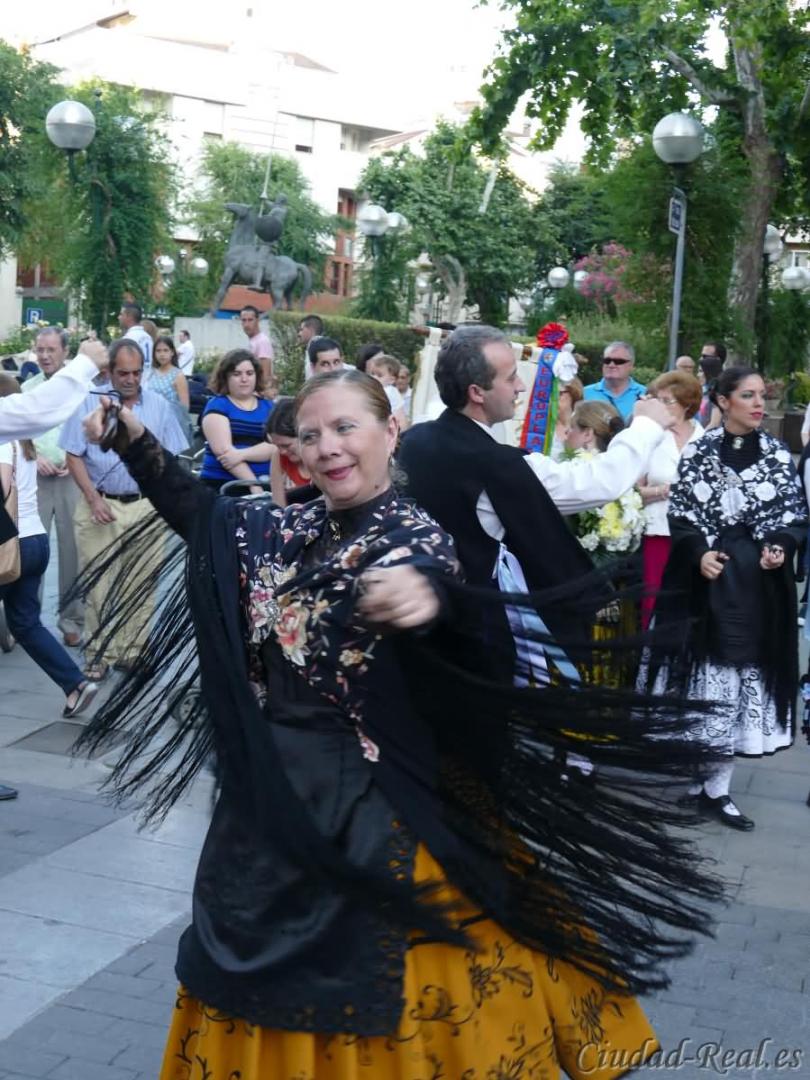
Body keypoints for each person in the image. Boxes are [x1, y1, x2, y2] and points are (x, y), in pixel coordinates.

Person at [77, 369, 722, 1080]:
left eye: (345, 427)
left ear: (390, 433)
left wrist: (425, 595)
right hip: (271, 810)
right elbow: (202, 512)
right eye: (312, 435)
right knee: (257, 977)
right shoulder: (286, 529)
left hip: (377, 804)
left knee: (389, 978)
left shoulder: (414, 535)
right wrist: (132, 440)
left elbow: (437, 581)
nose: (328, 447)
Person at [399, 326, 675, 684]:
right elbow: (596, 482)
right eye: (511, 377)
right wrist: (646, 426)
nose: (521, 387)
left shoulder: (415, 439)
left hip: (416, 626)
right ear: (477, 392)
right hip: (474, 637)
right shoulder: (494, 463)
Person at [647, 367, 807, 831]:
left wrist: (780, 546)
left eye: (761, 395)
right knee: (706, 676)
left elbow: (795, 518)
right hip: (704, 587)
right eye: (748, 395)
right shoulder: (699, 452)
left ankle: (718, 788)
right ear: (723, 401)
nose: (758, 404)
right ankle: (704, 783)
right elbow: (682, 517)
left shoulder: (777, 454)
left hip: (756, 588)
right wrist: (699, 554)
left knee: (740, 673)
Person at [60, 339, 189, 681]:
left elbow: (171, 456)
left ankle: (133, 651)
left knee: (142, 582)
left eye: (136, 372)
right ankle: (99, 654)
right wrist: (93, 498)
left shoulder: (159, 405)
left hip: (145, 505)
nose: (130, 379)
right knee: (99, 584)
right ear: (109, 372)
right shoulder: (88, 401)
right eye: (123, 373)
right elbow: (72, 454)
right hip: (100, 503)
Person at [0, 376, 98, 718]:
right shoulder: (26, 444)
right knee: (26, 622)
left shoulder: (3, 442)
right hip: (35, 542)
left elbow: (2, 487)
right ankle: (75, 684)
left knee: (24, 622)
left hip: (10, 544)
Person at [22, 328, 85, 646]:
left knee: (72, 550)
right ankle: (24, 618)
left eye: (51, 350)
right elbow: (20, 432)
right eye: (40, 350)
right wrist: (36, 457)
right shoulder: (28, 388)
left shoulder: (80, 387)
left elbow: (90, 429)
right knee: (31, 550)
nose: (45, 356)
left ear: (65, 352)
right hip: (36, 477)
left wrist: (74, 459)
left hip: (72, 475)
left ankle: (71, 620)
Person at [637, 371, 704, 630]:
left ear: (687, 404)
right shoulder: (650, 437)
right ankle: (644, 652)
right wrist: (662, 491)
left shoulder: (705, 439)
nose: (660, 406)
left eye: (667, 401)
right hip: (657, 531)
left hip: (695, 536)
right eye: (658, 400)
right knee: (651, 600)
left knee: (687, 604)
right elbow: (632, 492)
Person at [199, 349, 275, 493]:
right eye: (237, 374)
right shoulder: (217, 405)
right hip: (223, 486)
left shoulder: (269, 407)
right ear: (225, 377)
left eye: (249, 373)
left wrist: (241, 454)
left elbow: (276, 446)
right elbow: (225, 454)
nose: (244, 379)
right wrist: (254, 485)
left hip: (267, 483)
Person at [263, 396, 311, 505]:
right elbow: (278, 503)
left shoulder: (322, 457)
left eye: (287, 445)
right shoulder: (278, 456)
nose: (282, 452)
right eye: (278, 446)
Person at [583, 341, 647, 420]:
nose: (611, 365)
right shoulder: (584, 394)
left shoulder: (645, 395)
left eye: (618, 361)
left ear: (631, 365)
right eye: (607, 361)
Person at [366, 353, 408, 428]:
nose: (374, 377)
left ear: (391, 380)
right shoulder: (379, 389)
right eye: (372, 374)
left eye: (379, 375)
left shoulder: (388, 391)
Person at [550, 376, 584, 459]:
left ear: (573, 393)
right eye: (549, 394)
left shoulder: (585, 424)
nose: (551, 399)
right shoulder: (540, 426)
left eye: (558, 393)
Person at [240, 304, 274, 384]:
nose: (246, 324)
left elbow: (265, 375)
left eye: (250, 320)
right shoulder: (254, 340)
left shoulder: (262, 341)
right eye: (244, 320)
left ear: (257, 320)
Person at [697, 343, 725, 429]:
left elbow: (714, 424)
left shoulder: (720, 389)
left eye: (705, 356)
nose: (700, 359)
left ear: (717, 360)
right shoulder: (703, 389)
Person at [118, 302, 153, 371]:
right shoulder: (148, 337)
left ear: (129, 317)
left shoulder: (128, 339)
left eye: (121, 314)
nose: (119, 317)